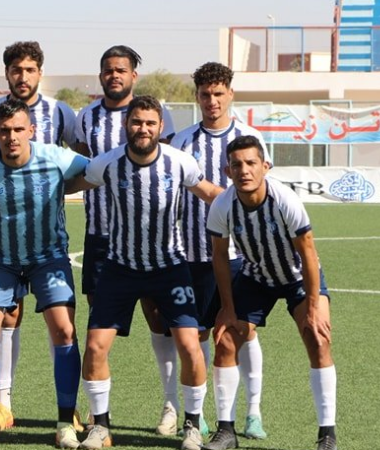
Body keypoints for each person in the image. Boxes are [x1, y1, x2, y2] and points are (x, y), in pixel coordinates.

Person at [67, 95, 222, 450]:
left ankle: (192, 425)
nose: (143, 129)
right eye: (137, 122)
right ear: (127, 124)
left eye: (150, 123)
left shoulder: (179, 162)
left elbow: (211, 193)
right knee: (95, 346)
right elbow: (72, 185)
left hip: (170, 268)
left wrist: (252, 198)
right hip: (120, 268)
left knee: (190, 344)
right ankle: (100, 426)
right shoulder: (107, 163)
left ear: (161, 127)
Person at [0, 99, 88, 448]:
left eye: (18, 130)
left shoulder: (56, 157)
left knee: (64, 329)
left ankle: (65, 422)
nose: (11, 137)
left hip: (49, 258)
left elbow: (93, 173)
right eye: (4, 131)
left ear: (31, 131)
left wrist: (62, 189)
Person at [154, 62, 270, 439]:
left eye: (219, 93)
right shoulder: (183, 141)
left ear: (230, 94)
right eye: (205, 94)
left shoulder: (250, 137)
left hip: (240, 255)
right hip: (191, 254)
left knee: (243, 332)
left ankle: (253, 413)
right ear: (197, 96)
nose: (212, 101)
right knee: (196, 336)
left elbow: (262, 193)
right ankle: (198, 414)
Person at [204, 135, 337, 450]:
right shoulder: (222, 205)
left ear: (265, 166)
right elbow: (220, 257)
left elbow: (308, 253)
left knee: (318, 338)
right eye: (237, 165)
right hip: (256, 277)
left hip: (297, 277)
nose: (244, 170)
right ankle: (226, 431)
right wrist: (227, 307)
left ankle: (327, 435)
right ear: (227, 171)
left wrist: (313, 307)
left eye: (251, 163)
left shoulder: (284, 200)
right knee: (224, 340)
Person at [0, 40, 79, 433]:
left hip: (46, 240)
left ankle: (68, 412)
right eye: (16, 70)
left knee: (62, 323)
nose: (23, 76)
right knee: (5, 316)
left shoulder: (60, 111)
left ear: (40, 73)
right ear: (7, 73)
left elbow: (78, 160)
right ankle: (2, 402)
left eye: (30, 69)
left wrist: (50, 191)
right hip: (2, 241)